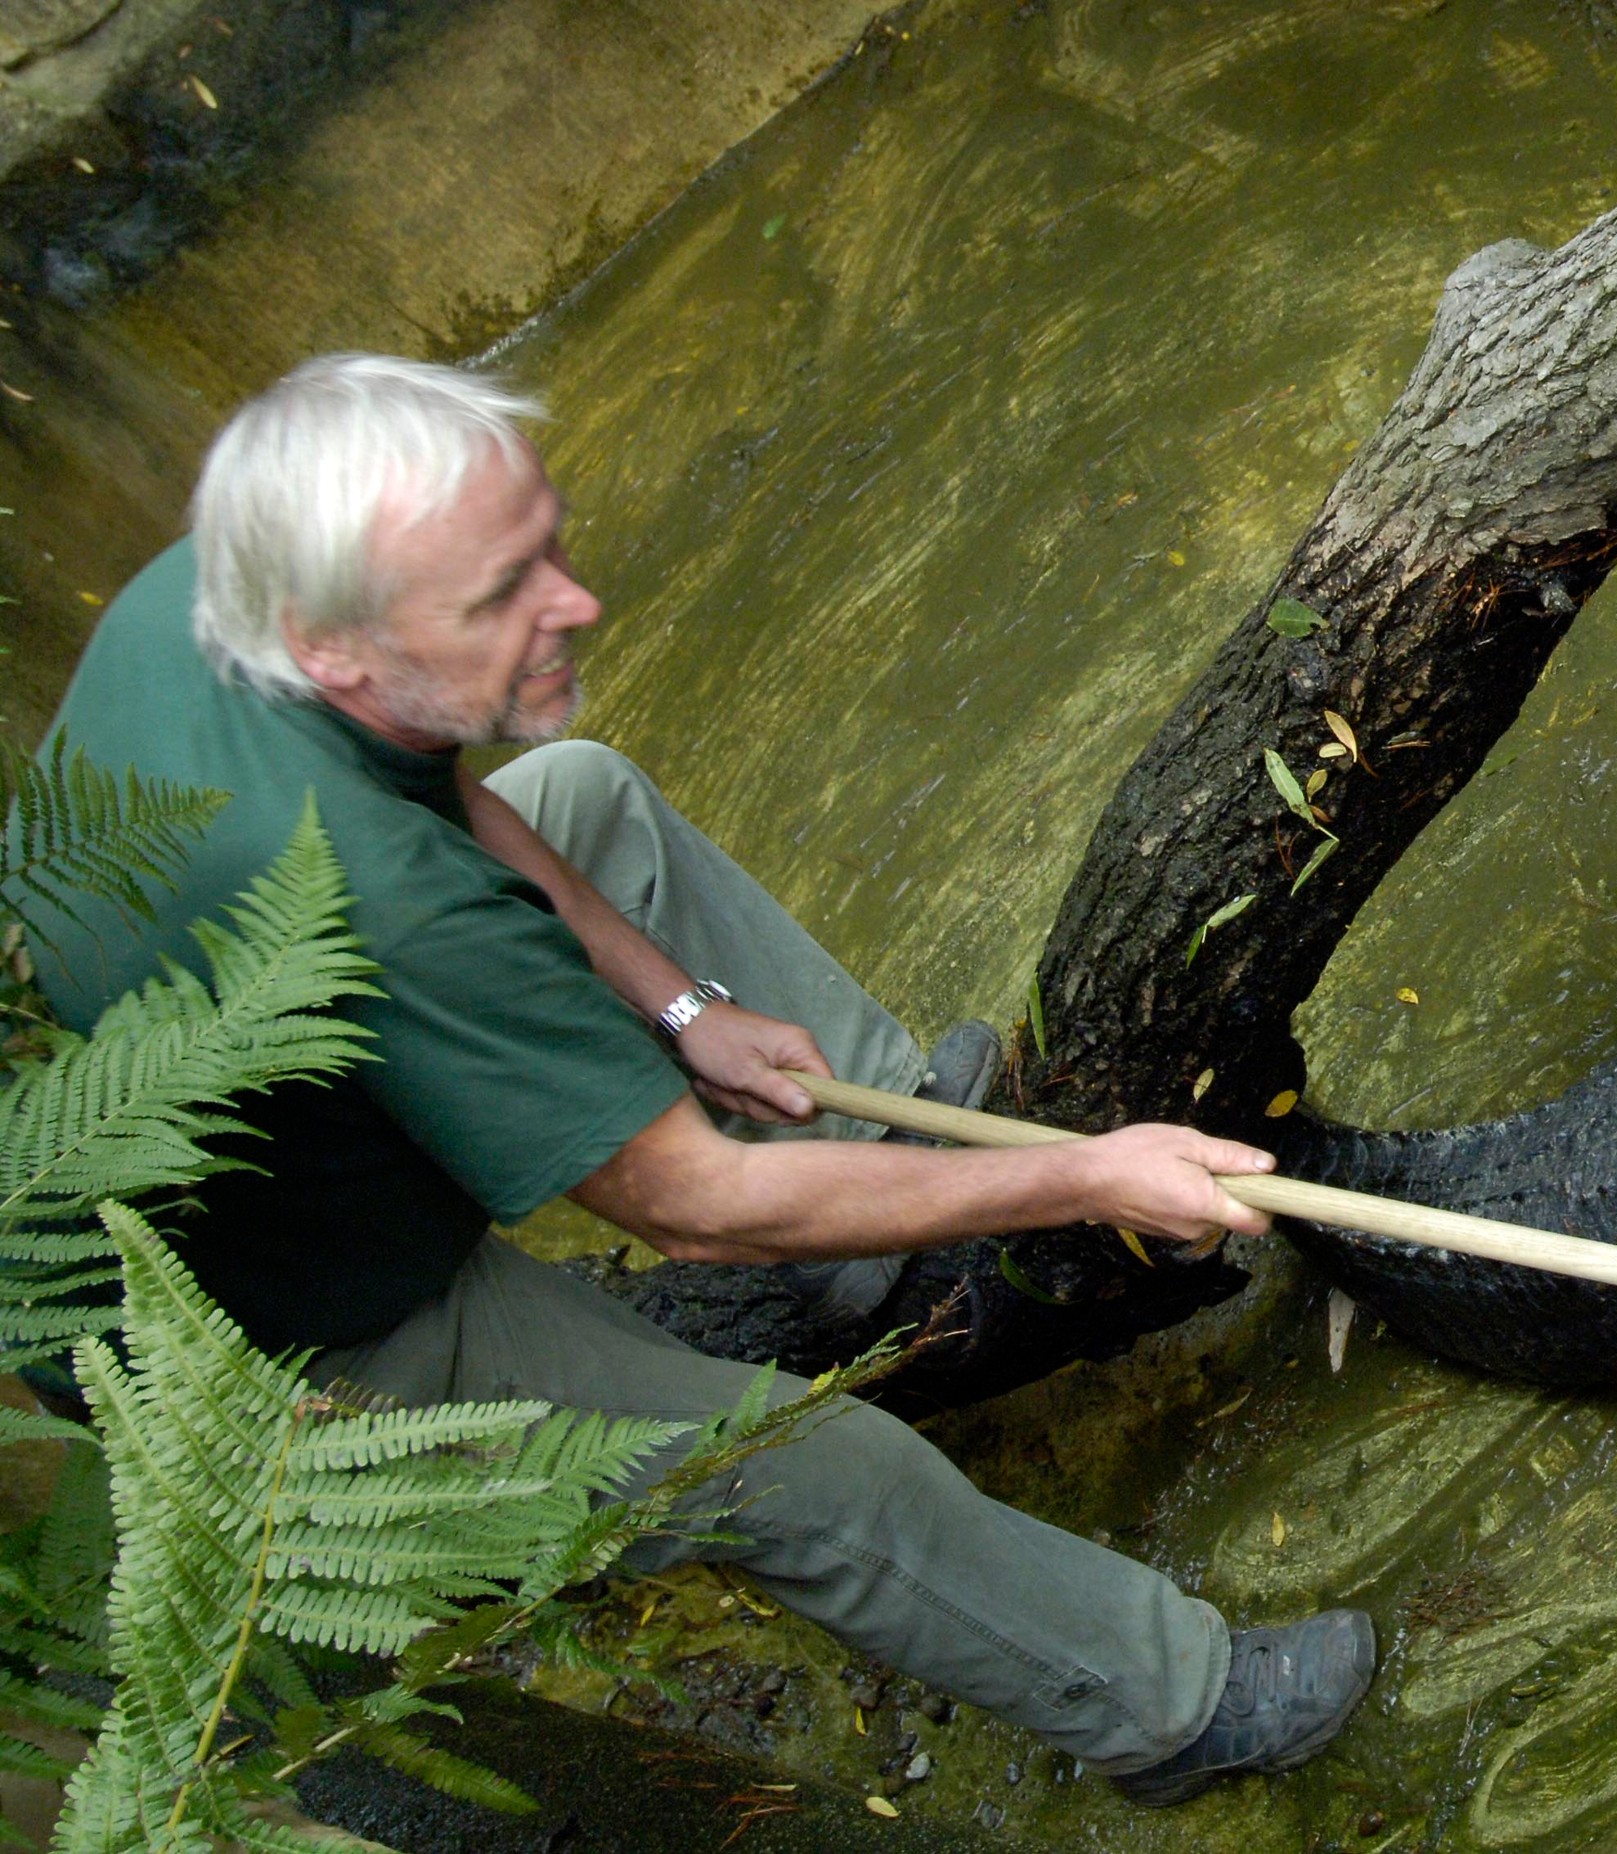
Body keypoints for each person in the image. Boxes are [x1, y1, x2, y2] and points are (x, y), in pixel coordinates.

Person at [29, 353, 1373, 1807]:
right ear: (332, 645)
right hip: (288, 1317)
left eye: (546, 541)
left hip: (301, 1041)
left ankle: (901, 1251)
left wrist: (677, 1005)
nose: (575, 602)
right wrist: (1089, 1171)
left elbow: (432, 781)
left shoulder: (217, 590)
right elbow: (697, 1206)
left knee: (593, 801)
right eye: (503, 596)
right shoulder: (400, 911)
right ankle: (1167, 1703)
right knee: (799, 1464)